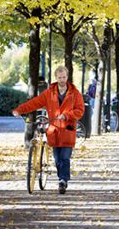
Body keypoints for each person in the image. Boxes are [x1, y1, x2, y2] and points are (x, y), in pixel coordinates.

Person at [12, 66, 84, 194]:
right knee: (57, 159)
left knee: (65, 158)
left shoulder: (75, 93)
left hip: (68, 130)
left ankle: (63, 180)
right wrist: (20, 110)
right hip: (54, 131)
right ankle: (61, 178)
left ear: (67, 77)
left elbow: (80, 110)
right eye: (59, 77)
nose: (62, 80)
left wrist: (67, 115)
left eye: (64, 77)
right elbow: (34, 103)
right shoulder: (49, 93)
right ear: (56, 78)